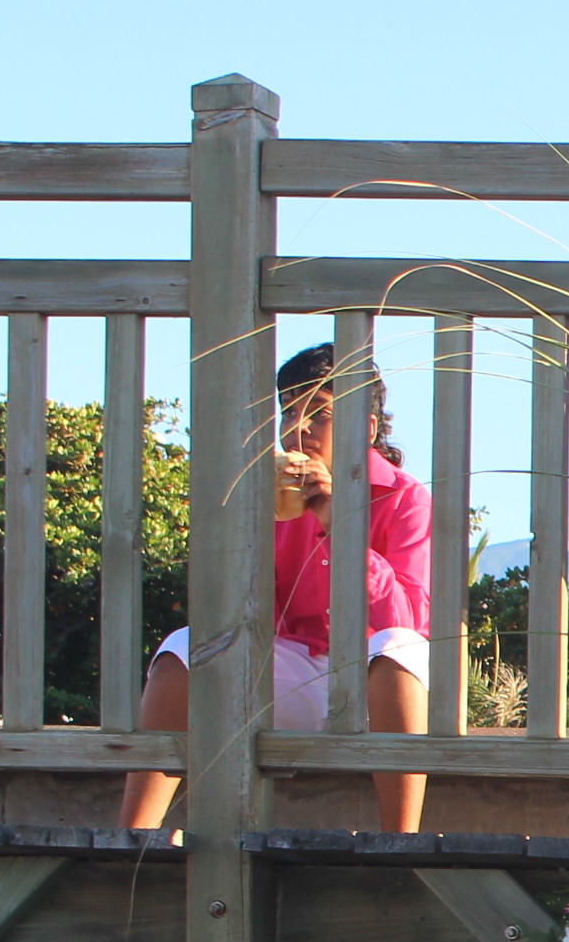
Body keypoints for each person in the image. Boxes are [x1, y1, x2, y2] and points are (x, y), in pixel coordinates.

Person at [123, 343, 434, 834]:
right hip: (300, 675)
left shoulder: (405, 498)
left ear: (366, 429)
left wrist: (341, 529)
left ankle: (402, 842)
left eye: (320, 414)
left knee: (397, 647)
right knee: (183, 648)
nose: (301, 428)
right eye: (290, 412)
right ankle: (134, 835)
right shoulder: (270, 495)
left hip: (384, 688)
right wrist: (243, 522)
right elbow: (244, 618)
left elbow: (407, 618)